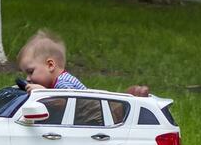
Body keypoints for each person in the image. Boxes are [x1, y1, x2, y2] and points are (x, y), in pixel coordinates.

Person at [16, 30, 150, 97]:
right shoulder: (58, 83)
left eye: (30, 71)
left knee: (115, 111)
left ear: (50, 65)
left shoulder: (63, 83)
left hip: (93, 114)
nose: (27, 78)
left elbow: (65, 103)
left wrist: (43, 93)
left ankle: (131, 97)